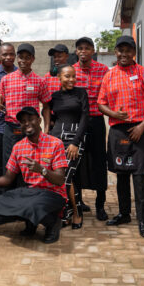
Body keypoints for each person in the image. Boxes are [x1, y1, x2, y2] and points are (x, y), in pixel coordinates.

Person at [97, 35, 144, 238]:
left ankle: (143, 221)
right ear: (115, 52)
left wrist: (143, 126)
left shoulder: (143, 73)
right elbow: (100, 103)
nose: (124, 54)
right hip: (118, 131)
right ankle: (124, 214)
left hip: (140, 131)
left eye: (128, 50)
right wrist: (113, 114)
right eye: (120, 50)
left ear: (134, 52)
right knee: (121, 174)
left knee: (140, 176)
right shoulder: (109, 76)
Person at [0, 107, 68, 244]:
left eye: (30, 119)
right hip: (30, 193)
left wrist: (42, 170)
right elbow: (8, 178)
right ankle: (30, 221)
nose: (27, 123)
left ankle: (53, 223)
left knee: (31, 205)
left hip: (53, 193)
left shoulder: (55, 143)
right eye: (23, 121)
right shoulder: (18, 147)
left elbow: (60, 180)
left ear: (39, 120)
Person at [0, 43, 52, 165]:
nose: (24, 61)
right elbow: (0, 100)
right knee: (9, 164)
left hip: (32, 129)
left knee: (30, 164)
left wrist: (46, 129)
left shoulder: (40, 81)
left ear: (33, 59)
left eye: (28, 57)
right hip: (11, 129)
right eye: (21, 57)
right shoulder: (6, 79)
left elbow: (46, 106)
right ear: (17, 58)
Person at [72, 37, 110, 220]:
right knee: (77, 162)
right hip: (78, 122)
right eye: (80, 48)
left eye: (87, 48)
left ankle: (100, 205)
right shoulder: (71, 71)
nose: (83, 51)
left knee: (99, 162)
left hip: (96, 121)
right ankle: (78, 202)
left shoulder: (103, 70)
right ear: (76, 51)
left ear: (93, 51)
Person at [48, 64, 89, 229]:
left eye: (73, 76)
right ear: (59, 77)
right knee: (62, 177)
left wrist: (75, 143)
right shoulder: (54, 96)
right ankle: (66, 212)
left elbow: (85, 118)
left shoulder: (81, 93)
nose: (71, 79)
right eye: (67, 76)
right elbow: (52, 118)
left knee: (65, 176)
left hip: (74, 139)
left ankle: (77, 213)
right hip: (57, 139)